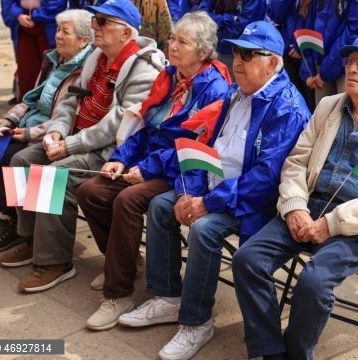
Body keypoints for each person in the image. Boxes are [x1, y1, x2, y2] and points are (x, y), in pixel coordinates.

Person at [117, 21, 310, 360]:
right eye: (236, 52)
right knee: (163, 205)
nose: (238, 61)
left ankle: (196, 323)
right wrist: (188, 191)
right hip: (214, 186)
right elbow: (202, 147)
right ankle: (168, 297)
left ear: (272, 62)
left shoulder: (287, 107)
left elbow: (265, 179)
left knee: (204, 230)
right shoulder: (238, 94)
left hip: (252, 202)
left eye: (249, 55)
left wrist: (207, 202)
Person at [232, 31, 358, 360]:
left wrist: (330, 224)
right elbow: (295, 163)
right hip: (310, 206)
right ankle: (271, 352)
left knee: (313, 282)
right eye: (350, 61)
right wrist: (295, 208)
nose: (352, 69)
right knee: (247, 260)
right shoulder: (329, 107)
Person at [0, 0, 165, 293]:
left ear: (126, 33)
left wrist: (70, 145)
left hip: (108, 152)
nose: (95, 26)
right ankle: (32, 238)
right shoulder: (96, 57)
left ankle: (55, 262)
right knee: (20, 161)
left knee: (50, 176)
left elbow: (119, 123)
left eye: (103, 22)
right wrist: (59, 132)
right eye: (95, 20)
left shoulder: (145, 67)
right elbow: (71, 99)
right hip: (76, 136)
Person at [77, 12, 233, 331]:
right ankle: (123, 262)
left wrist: (145, 168)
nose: (171, 45)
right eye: (172, 38)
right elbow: (145, 126)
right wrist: (121, 157)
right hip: (147, 160)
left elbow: (193, 145)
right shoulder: (170, 76)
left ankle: (118, 294)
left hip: (181, 171)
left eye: (181, 41)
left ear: (202, 52)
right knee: (89, 191)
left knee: (128, 200)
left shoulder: (214, 87)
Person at [0, 10, 92, 252]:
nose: (58, 36)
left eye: (65, 32)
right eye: (58, 30)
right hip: (33, 125)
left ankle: (15, 221)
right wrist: (10, 119)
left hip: (53, 133)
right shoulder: (53, 60)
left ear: (84, 40)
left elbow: (68, 118)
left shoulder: (85, 71)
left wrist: (30, 133)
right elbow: (31, 98)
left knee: (13, 157)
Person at [0, 0, 72, 101]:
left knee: (49, 66)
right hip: (23, 25)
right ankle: (25, 104)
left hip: (47, 26)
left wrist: (38, 15)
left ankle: (47, 102)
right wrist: (18, 14)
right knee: (26, 66)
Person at [269, 0, 322, 108]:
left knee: (310, 104)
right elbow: (276, 13)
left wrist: (302, 45)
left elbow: (318, 20)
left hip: (309, 53)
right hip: (287, 50)